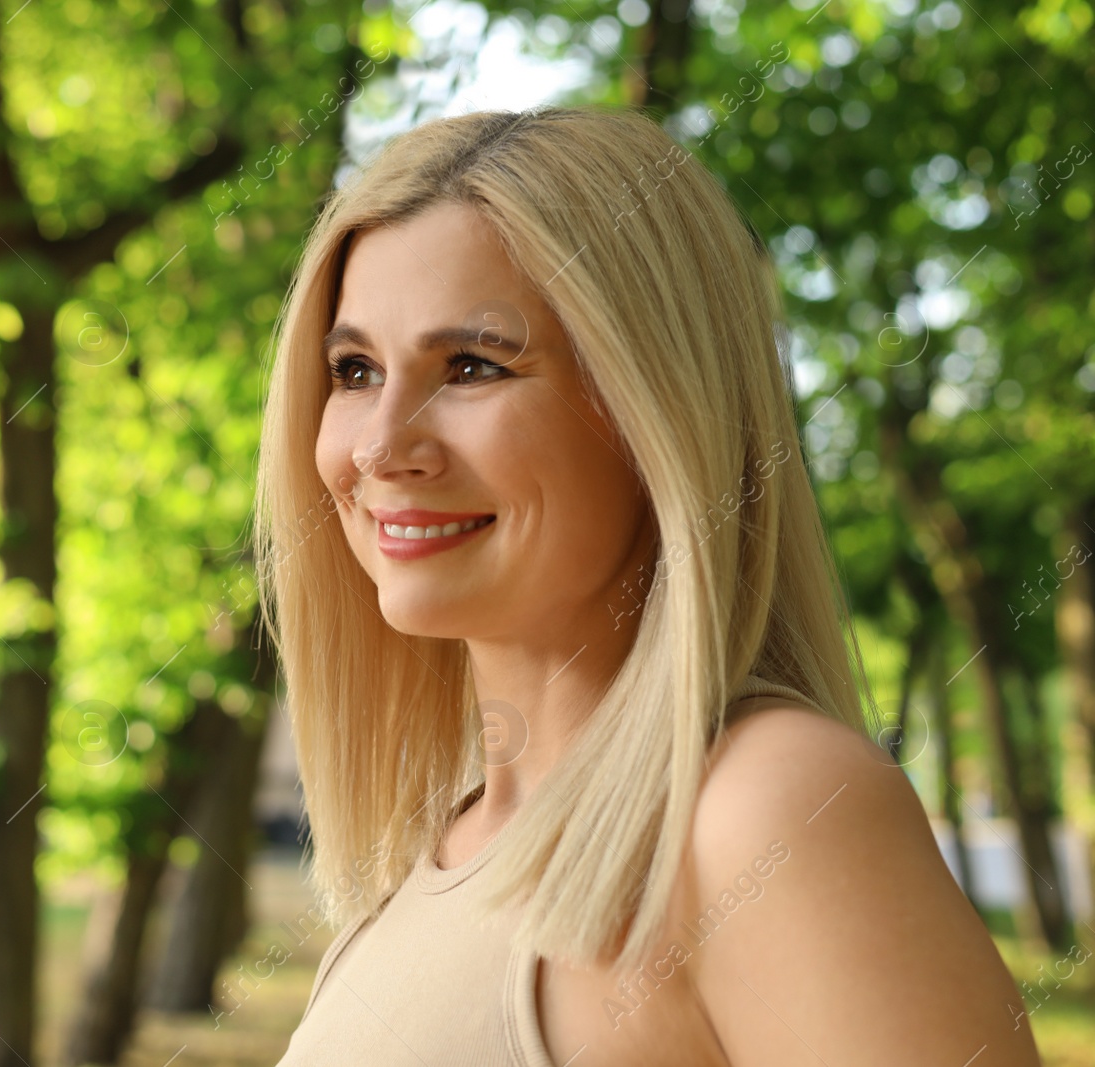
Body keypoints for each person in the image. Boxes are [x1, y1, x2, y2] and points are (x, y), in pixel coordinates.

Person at [252, 106, 1041, 1066]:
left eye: (471, 365)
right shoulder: (436, 853)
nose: (380, 445)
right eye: (355, 368)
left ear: (655, 409)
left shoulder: (767, 809)